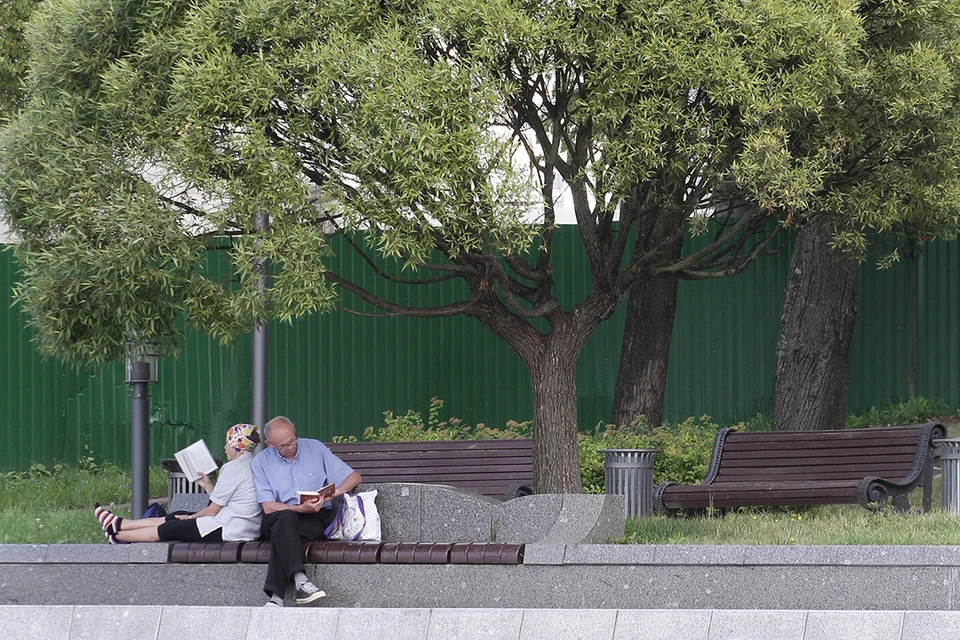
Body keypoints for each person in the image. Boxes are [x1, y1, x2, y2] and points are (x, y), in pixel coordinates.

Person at [251, 415, 361, 607]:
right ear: (269, 444)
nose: (290, 447)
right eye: (283, 446)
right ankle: (301, 581)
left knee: (284, 535)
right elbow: (268, 506)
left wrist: (331, 494)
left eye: (292, 440)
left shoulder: (315, 448)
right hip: (278, 517)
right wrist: (297, 508)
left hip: (314, 517)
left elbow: (354, 477)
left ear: (294, 430)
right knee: (285, 520)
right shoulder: (261, 462)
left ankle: (276, 598)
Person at [94, 423, 263, 544]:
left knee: (172, 528)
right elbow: (226, 501)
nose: (225, 446)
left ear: (236, 445)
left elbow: (212, 511)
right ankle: (120, 524)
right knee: (177, 514)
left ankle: (116, 535)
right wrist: (207, 485)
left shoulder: (234, 468)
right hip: (240, 525)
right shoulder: (250, 463)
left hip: (231, 528)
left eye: (227, 442)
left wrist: (190, 518)